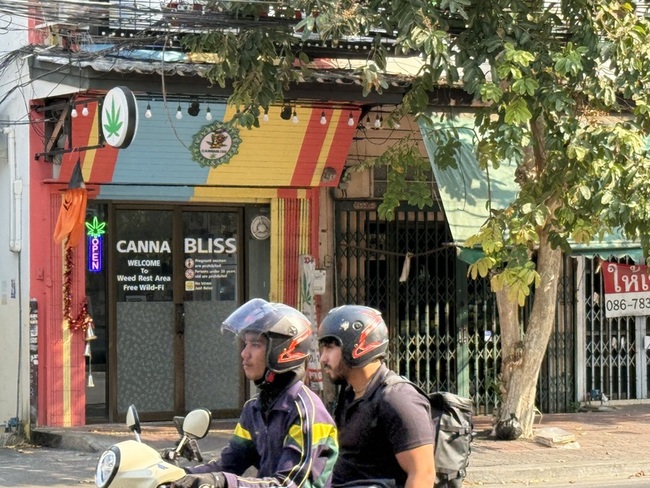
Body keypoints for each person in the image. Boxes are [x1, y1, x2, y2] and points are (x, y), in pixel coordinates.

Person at [172, 298, 339, 488]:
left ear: (283, 351)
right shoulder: (255, 408)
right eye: (245, 344)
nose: (244, 353)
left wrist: (222, 481)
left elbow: (288, 484)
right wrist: (175, 475)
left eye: (255, 344)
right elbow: (229, 463)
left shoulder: (306, 411)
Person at [318, 305, 436, 488]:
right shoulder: (350, 394)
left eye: (330, 348)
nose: (323, 359)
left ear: (356, 346)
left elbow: (423, 474)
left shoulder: (397, 399)